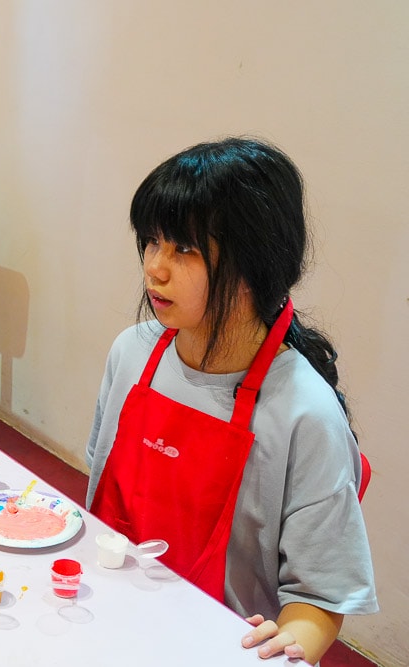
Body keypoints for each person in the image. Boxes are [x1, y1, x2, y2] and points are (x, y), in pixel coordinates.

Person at [84, 137, 377, 664]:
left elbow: (319, 597)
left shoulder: (303, 412)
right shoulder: (132, 354)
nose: (154, 267)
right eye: (151, 242)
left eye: (184, 250)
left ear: (253, 265)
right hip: (103, 624)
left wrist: (290, 645)